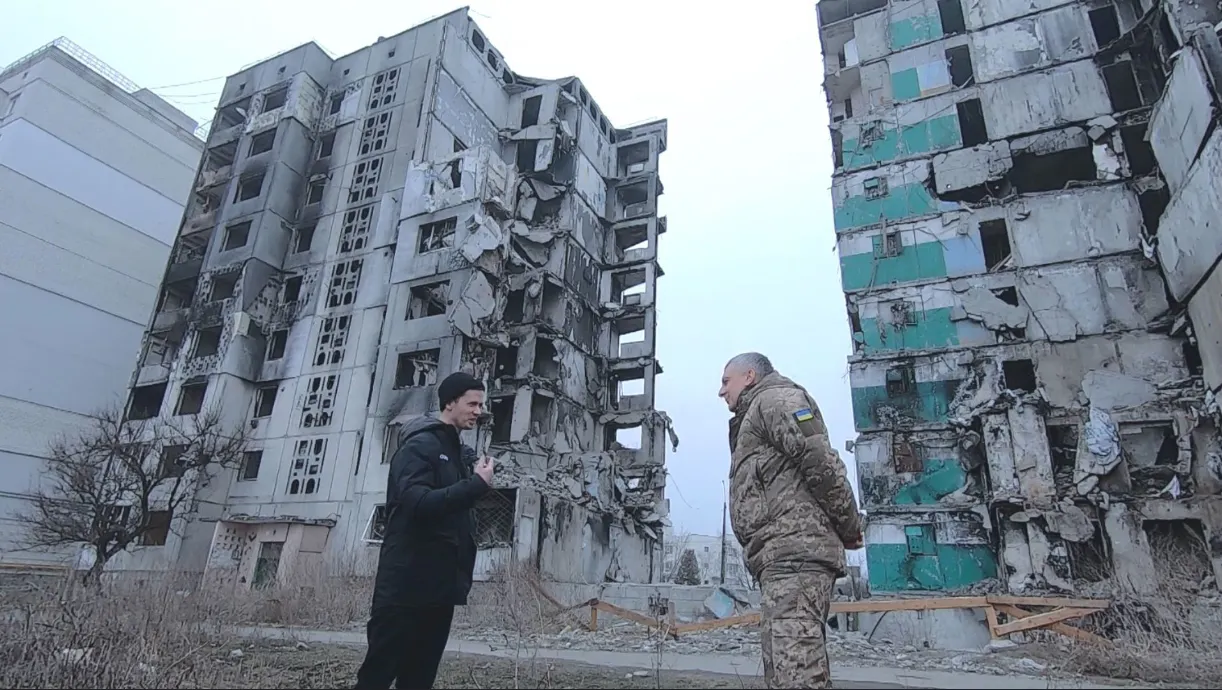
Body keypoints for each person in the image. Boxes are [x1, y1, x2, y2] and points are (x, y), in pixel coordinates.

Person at [718, 352, 864, 689]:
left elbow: (820, 459)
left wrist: (849, 526)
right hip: (781, 557)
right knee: (786, 669)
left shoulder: (777, 399)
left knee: (796, 671)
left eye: (726, 381)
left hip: (796, 553)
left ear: (750, 376)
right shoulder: (758, 411)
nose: (721, 391)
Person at [355, 372, 496, 690]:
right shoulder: (419, 446)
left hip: (439, 590)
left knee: (419, 679)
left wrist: (474, 477)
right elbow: (417, 503)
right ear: (449, 403)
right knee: (377, 676)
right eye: (472, 403)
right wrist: (474, 485)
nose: (478, 411)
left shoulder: (458, 454)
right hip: (405, 589)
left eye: (481, 405)